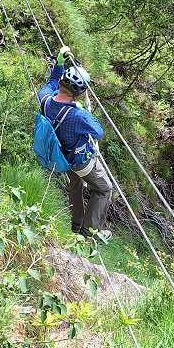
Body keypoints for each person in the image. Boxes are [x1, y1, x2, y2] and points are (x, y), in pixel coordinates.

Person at [37, 46, 113, 238]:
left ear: (62, 83)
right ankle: (89, 231)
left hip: (61, 157)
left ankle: (76, 224)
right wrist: (81, 108)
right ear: (78, 93)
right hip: (81, 161)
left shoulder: (45, 99)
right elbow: (98, 131)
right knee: (104, 189)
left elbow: (51, 81)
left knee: (75, 185)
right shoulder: (78, 115)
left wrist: (59, 63)